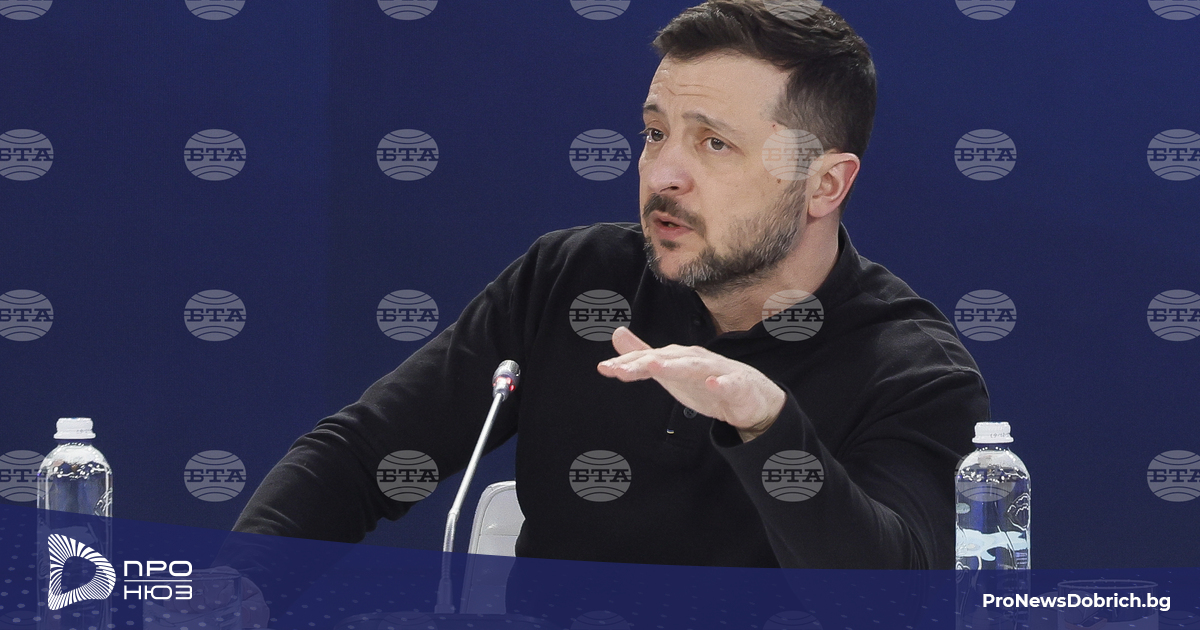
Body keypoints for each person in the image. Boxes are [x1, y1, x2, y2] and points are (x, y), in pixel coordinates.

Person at [233, 0, 988, 570]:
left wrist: (767, 427)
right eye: (656, 133)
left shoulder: (914, 370)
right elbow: (360, 458)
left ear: (825, 184)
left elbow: (898, 598)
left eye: (714, 143)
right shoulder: (573, 279)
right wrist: (240, 588)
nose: (663, 173)